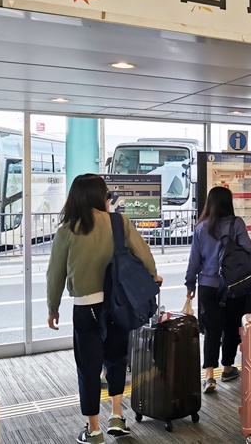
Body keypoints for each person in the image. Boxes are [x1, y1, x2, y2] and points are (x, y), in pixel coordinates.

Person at [47, 174, 160, 443]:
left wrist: (53, 307)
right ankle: (117, 417)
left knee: (88, 367)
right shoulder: (119, 222)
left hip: (86, 308)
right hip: (117, 304)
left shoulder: (67, 229)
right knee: (117, 359)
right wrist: (152, 279)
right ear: (101, 196)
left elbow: (55, 274)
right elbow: (145, 256)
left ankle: (93, 429)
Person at [185, 186, 251, 394]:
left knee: (211, 331)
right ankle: (227, 369)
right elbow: (249, 249)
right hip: (234, 286)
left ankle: (209, 376)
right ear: (229, 202)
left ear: (209, 203)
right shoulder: (236, 224)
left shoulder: (201, 227)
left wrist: (190, 284)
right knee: (231, 328)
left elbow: (194, 260)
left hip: (208, 286)